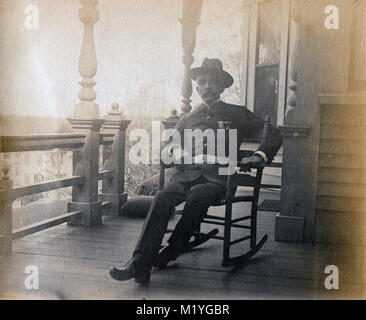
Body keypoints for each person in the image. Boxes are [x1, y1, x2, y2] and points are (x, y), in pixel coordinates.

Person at [110, 58, 282, 284]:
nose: (208, 86)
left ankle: (173, 249)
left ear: (222, 87)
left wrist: (259, 155)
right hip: (184, 176)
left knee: (198, 195)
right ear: (198, 88)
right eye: (203, 82)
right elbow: (169, 146)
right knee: (161, 197)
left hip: (219, 180)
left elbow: (273, 133)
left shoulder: (237, 113)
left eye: (213, 82)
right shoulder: (188, 118)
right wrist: (171, 152)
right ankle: (139, 262)